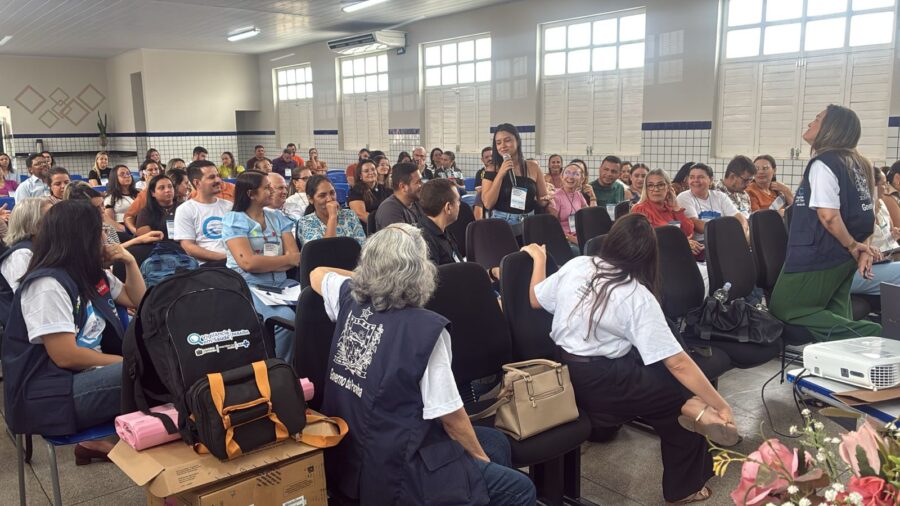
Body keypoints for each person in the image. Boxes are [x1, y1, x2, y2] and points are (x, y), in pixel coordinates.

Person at [311, 224, 536, 506]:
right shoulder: (424, 331)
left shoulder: (349, 299)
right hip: (397, 467)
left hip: (348, 454)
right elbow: (452, 420)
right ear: (420, 272)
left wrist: (372, 278)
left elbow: (317, 273)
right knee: (520, 488)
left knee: (496, 442)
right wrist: (481, 465)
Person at [522, 214, 736, 505]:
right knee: (683, 401)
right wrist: (720, 404)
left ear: (611, 241)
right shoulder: (635, 295)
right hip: (604, 381)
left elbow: (535, 299)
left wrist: (539, 259)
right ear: (649, 255)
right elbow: (678, 363)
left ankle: (686, 421)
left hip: (565, 370)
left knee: (670, 379)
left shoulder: (579, 264)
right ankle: (685, 487)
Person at [2, 200, 146, 462]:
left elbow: (137, 300)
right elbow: (65, 356)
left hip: (87, 377)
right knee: (150, 372)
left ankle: (164, 461)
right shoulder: (47, 284)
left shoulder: (91, 274)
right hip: (52, 393)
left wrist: (130, 261)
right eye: (100, 230)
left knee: (160, 369)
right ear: (82, 236)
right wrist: (127, 362)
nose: (105, 237)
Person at [770, 105, 883, 341]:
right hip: (844, 257)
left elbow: (828, 217)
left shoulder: (824, 163)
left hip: (818, 254)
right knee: (835, 313)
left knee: (786, 307)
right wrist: (861, 247)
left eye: (817, 119)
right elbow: (866, 215)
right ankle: (846, 358)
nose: (810, 123)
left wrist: (853, 246)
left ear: (831, 128)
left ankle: (876, 336)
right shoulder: (860, 163)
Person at [223, 171, 300, 361]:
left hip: (283, 285)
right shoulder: (235, 220)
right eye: (266, 188)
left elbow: (295, 257)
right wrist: (284, 260)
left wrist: (263, 263)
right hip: (250, 287)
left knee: (315, 308)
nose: (272, 191)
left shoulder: (277, 217)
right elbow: (247, 263)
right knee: (285, 321)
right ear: (251, 194)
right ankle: (281, 369)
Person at [481, 124, 553, 233]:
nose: (503, 146)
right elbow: (488, 203)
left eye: (507, 140)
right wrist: (500, 174)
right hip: (502, 223)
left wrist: (548, 198)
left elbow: (542, 200)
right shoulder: (492, 169)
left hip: (528, 223)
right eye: (498, 143)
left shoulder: (533, 167)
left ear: (517, 141)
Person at [849, 168, 900, 296]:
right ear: (873, 186)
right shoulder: (856, 210)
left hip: (890, 253)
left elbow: (890, 230)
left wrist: (893, 234)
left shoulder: (882, 204)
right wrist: (866, 249)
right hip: (872, 262)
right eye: (883, 184)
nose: (886, 187)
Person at [632, 169, 702, 257]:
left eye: (660, 185)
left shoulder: (670, 208)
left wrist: (676, 207)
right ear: (646, 189)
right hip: (655, 258)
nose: (656, 189)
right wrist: (681, 243)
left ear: (669, 188)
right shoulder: (640, 209)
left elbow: (689, 232)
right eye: (650, 185)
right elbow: (646, 241)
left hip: (676, 255)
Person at [174, 160, 233, 265]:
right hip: (208, 266)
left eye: (218, 176)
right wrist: (225, 257)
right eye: (212, 177)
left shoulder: (229, 206)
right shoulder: (185, 210)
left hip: (236, 262)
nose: (218, 180)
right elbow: (188, 247)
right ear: (197, 183)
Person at [0, 199, 49, 323]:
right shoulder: (21, 255)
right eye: (50, 217)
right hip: (25, 328)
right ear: (32, 225)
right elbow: (31, 303)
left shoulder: (41, 249)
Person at [676, 162, 749, 243]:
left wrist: (743, 230)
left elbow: (738, 216)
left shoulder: (720, 196)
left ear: (710, 180)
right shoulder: (684, 197)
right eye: (692, 177)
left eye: (700, 177)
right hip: (702, 242)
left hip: (724, 239)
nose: (695, 180)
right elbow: (696, 224)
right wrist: (726, 233)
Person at [295, 175, 365, 246]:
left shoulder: (350, 215)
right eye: (322, 196)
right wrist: (332, 217)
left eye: (332, 193)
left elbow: (362, 246)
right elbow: (325, 250)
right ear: (310, 199)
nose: (329, 199)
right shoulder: (305, 222)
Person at [418, 179, 462, 265]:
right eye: (458, 200)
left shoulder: (444, 232)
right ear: (448, 207)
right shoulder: (425, 242)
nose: (459, 204)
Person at [375, 163, 424, 230]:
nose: (422, 184)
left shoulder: (416, 201)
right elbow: (400, 237)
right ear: (403, 187)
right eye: (418, 182)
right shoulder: (389, 210)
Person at [549, 162, 589, 245]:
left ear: (582, 179)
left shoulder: (579, 195)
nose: (570, 177)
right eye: (567, 173)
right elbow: (553, 227)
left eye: (575, 174)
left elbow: (588, 217)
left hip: (579, 237)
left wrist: (592, 197)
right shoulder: (555, 197)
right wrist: (574, 240)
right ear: (562, 176)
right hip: (563, 240)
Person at [135, 175, 180, 243]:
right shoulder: (146, 212)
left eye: (170, 186)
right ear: (153, 193)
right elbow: (146, 237)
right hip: (156, 246)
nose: (167, 190)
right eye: (162, 188)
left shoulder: (183, 207)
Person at [348, 159, 389, 226]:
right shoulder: (355, 191)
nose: (371, 172)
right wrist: (382, 225)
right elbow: (361, 214)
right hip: (368, 227)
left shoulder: (383, 189)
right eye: (366, 171)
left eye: (373, 169)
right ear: (360, 176)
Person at [104, 165, 138, 232]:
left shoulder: (139, 194)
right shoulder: (110, 198)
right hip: (123, 230)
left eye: (128, 173)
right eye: (122, 174)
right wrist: (124, 230)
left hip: (140, 225)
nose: (127, 176)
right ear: (115, 178)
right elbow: (110, 222)